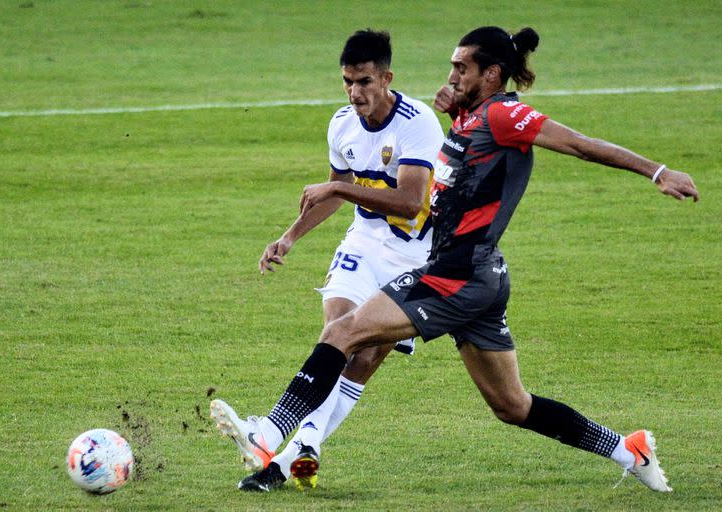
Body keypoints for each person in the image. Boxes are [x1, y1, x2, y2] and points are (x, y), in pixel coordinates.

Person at [213, 26, 699, 493]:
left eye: (460, 68)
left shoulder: (506, 115)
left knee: (343, 333)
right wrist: (452, 117)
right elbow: (470, 169)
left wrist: (655, 170)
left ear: (491, 74)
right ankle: (628, 451)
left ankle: (271, 433)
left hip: (458, 274)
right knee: (512, 406)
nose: (450, 77)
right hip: (478, 274)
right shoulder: (469, 117)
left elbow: (578, 144)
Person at [210, 29, 444, 492]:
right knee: (337, 334)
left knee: (368, 352)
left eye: (364, 81)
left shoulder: (417, 123)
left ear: (386, 78)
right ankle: (287, 440)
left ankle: (297, 450)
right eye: (347, 82)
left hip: (415, 255)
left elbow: (410, 200)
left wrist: (337, 187)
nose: (355, 92)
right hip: (363, 241)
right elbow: (334, 191)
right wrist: (289, 237)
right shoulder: (341, 124)